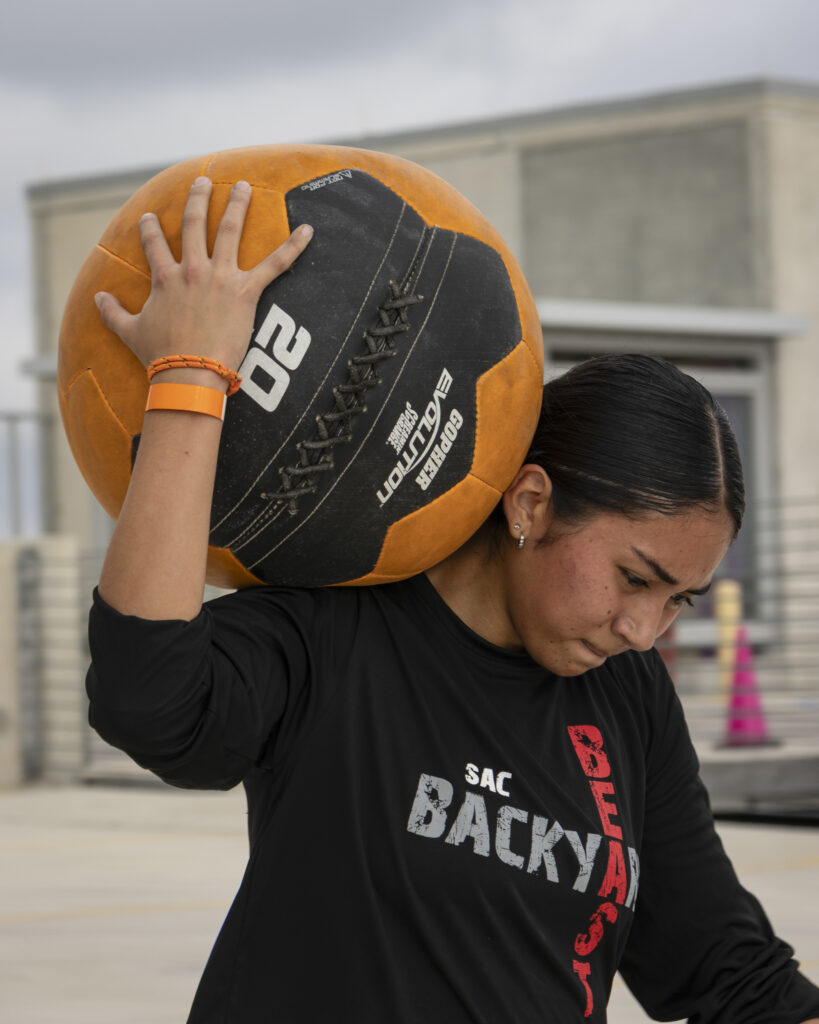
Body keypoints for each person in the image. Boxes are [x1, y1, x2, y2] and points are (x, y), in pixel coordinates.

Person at [87, 176, 819, 1023]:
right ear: (532, 503)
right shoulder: (339, 626)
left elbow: (725, 970)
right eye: (635, 579)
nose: (641, 629)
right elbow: (151, 704)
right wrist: (191, 378)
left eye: (679, 602)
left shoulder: (626, 696)